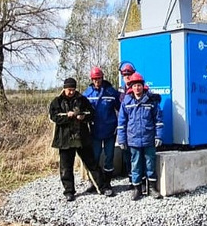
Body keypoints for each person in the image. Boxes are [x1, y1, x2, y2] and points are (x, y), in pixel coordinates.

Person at [49, 77, 113, 201]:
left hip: (82, 138)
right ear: (64, 89)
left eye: (73, 89)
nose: (71, 92)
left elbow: (91, 114)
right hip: (65, 140)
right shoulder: (57, 102)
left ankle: (102, 187)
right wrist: (68, 117)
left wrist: (84, 117)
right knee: (66, 167)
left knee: (92, 164)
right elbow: (53, 117)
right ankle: (69, 191)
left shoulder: (82, 100)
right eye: (69, 90)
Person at [117, 72, 165, 200]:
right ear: (131, 87)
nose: (137, 88)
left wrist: (158, 136)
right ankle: (137, 189)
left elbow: (158, 120)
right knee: (136, 164)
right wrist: (121, 139)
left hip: (149, 139)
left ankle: (152, 188)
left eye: (139, 85)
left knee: (150, 163)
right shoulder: (126, 102)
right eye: (134, 86)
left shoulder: (151, 101)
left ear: (143, 86)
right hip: (133, 140)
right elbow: (121, 123)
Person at [81, 66, 121, 194]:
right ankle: (94, 182)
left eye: (99, 78)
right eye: (94, 79)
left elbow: (122, 109)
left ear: (102, 78)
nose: (97, 81)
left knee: (109, 157)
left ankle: (108, 183)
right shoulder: (87, 94)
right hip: (95, 131)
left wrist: (120, 126)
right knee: (95, 157)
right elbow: (82, 110)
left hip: (110, 131)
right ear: (91, 79)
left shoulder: (111, 92)